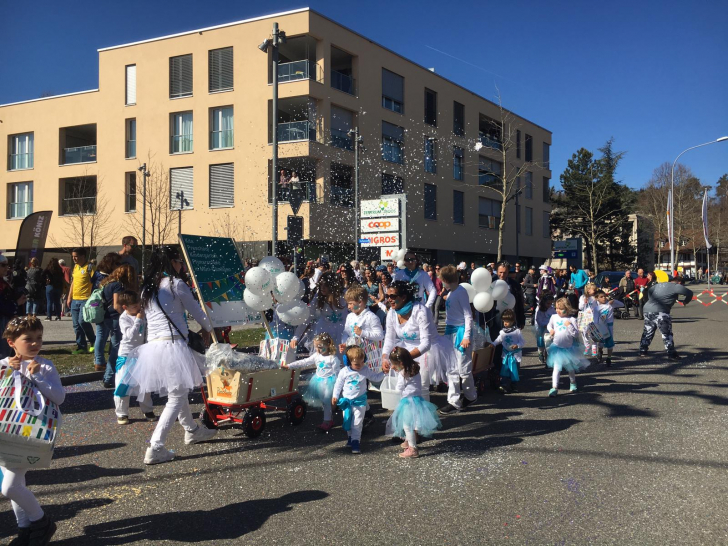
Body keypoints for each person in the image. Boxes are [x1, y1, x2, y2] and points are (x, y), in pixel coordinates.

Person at [124, 246, 216, 465]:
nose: (181, 266)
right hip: (172, 345)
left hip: (153, 348)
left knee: (178, 390)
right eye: (179, 261)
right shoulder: (175, 284)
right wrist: (211, 327)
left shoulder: (147, 288)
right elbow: (198, 313)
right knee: (176, 395)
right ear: (172, 262)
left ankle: (192, 430)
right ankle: (156, 447)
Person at [1, 316, 64, 545]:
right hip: (4, 433)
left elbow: (59, 397)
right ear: (11, 343)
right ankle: (25, 531)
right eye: (28, 339)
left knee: (10, 487)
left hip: (29, 434)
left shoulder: (45, 366)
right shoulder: (4, 364)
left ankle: (42, 522)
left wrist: (36, 376)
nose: (35, 343)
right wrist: (7, 372)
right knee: (18, 485)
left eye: (39, 338)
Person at [381, 281, 452, 395]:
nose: (389, 299)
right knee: (402, 386)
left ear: (403, 297)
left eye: (393, 296)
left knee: (420, 386)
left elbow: (426, 344)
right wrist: (385, 358)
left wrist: (404, 359)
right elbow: (389, 339)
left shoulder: (420, 311)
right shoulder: (391, 313)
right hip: (405, 349)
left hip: (427, 351)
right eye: (387, 296)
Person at [384, 347, 442, 459]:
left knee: (407, 426)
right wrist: (398, 368)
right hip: (417, 400)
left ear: (400, 363)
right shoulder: (414, 368)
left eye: (394, 364)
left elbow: (399, 387)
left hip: (407, 402)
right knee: (414, 424)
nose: (394, 367)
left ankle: (412, 449)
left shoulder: (402, 373)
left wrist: (396, 376)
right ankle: (408, 442)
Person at [332, 345, 386, 454]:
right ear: (348, 361)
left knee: (357, 423)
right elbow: (338, 385)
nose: (360, 366)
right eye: (356, 364)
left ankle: (356, 441)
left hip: (360, 402)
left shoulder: (365, 369)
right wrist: (335, 396)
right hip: (346, 402)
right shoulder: (344, 371)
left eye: (362, 362)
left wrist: (384, 372)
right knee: (347, 422)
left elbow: (375, 378)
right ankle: (350, 438)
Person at [438, 265, 476, 415]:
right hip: (451, 332)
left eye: (442, 281)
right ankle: (454, 401)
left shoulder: (460, 292)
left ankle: (470, 395)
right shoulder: (453, 292)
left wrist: (466, 336)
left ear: (446, 280)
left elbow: (468, 315)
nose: (442, 284)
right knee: (452, 368)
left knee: (464, 369)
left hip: (460, 334)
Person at [284, 333, 342, 432]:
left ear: (328, 345)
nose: (318, 350)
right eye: (316, 347)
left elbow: (338, 374)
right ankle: (330, 418)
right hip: (318, 381)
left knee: (326, 401)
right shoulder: (316, 356)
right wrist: (290, 366)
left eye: (320, 347)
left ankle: (327, 421)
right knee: (324, 402)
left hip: (330, 382)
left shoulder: (333, 359)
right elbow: (304, 362)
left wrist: (339, 388)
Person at [113, 290, 155, 424]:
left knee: (144, 384)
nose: (138, 308)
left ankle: (147, 409)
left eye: (139, 305)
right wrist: (138, 320)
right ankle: (122, 413)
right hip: (126, 354)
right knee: (123, 383)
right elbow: (129, 335)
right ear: (125, 307)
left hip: (141, 353)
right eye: (134, 306)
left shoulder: (142, 314)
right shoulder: (124, 318)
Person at [98, 264, 137, 388]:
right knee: (116, 348)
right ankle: (109, 377)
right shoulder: (117, 285)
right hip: (115, 318)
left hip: (106, 317)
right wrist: (127, 316)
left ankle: (108, 375)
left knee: (112, 346)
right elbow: (116, 305)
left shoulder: (107, 283)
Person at [639, 274, 693, 360]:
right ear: (679, 282)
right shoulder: (676, 286)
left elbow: (649, 291)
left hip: (648, 309)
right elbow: (689, 293)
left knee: (648, 331)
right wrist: (685, 302)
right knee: (666, 333)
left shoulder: (659, 285)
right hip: (661, 311)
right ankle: (671, 354)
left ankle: (643, 351)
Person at [547, 297, 589, 397]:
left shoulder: (571, 319)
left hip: (569, 349)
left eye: (561, 309)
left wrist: (569, 325)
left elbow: (575, 334)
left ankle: (573, 382)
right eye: (557, 308)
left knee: (570, 368)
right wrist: (550, 330)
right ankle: (554, 387)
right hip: (557, 348)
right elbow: (549, 325)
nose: (558, 310)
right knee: (556, 369)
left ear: (567, 309)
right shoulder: (554, 317)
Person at [67, 248, 97, 355]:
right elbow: (73, 283)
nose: (74, 258)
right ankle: (81, 346)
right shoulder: (76, 267)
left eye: (76, 256)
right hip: (75, 299)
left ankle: (94, 341)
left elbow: (96, 283)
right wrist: (69, 297)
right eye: (73, 256)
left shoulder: (90, 267)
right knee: (76, 325)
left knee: (82, 321)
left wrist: (93, 298)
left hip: (86, 299)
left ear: (83, 256)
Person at [339, 285, 384, 350]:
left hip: (369, 354)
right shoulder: (350, 316)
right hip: (354, 353)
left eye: (351, 303)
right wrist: (345, 343)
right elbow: (346, 332)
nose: (348, 307)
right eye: (348, 304)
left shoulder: (371, 317)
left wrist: (362, 333)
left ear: (360, 302)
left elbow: (380, 336)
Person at [491, 309, 525, 393]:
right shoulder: (502, 332)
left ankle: (514, 385)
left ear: (513, 321)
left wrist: (517, 345)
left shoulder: (517, 331)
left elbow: (522, 341)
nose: (505, 323)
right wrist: (493, 344)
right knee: (505, 369)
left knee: (514, 370)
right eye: (504, 321)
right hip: (506, 354)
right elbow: (499, 339)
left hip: (515, 354)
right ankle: (504, 384)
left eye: (507, 321)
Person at [594, 290, 615, 366]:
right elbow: (595, 319)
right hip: (601, 326)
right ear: (597, 298)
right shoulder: (597, 308)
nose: (603, 298)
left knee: (610, 342)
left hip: (609, 326)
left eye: (604, 296)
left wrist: (614, 300)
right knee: (601, 341)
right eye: (601, 297)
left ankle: (609, 358)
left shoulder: (609, 305)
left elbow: (621, 304)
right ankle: (600, 352)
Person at [535, 291, 556, 365]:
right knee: (541, 343)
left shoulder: (552, 309)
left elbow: (555, 317)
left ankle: (548, 357)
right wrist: (543, 324)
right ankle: (540, 352)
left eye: (551, 303)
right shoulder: (540, 309)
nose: (549, 305)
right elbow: (538, 319)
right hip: (542, 328)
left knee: (549, 343)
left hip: (549, 329)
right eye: (548, 303)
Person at [578, 283, 599, 357]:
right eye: (594, 289)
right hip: (584, 317)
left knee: (593, 333)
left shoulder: (596, 297)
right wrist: (584, 302)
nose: (595, 290)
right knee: (584, 332)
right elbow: (580, 307)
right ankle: (587, 345)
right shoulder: (582, 297)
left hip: (593, 317)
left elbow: (598, 306)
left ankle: (594, 348)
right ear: (588, 290)